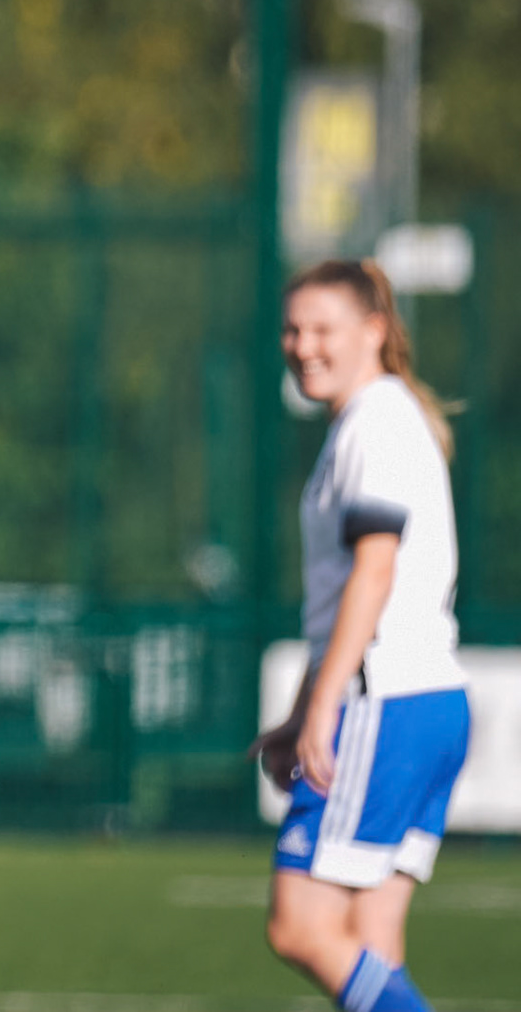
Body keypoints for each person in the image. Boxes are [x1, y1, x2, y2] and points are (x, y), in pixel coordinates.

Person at [251, 259, 471, 1012]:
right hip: (427, 699)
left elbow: (373, 576)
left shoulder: (376, 422)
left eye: (323, 329)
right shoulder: (376, 419)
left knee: (301, 928)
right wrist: (303, 708)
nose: (303, 346)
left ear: (374, 330)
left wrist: (323, 709)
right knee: (370, 941)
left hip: (385, 704)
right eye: (293, 329)